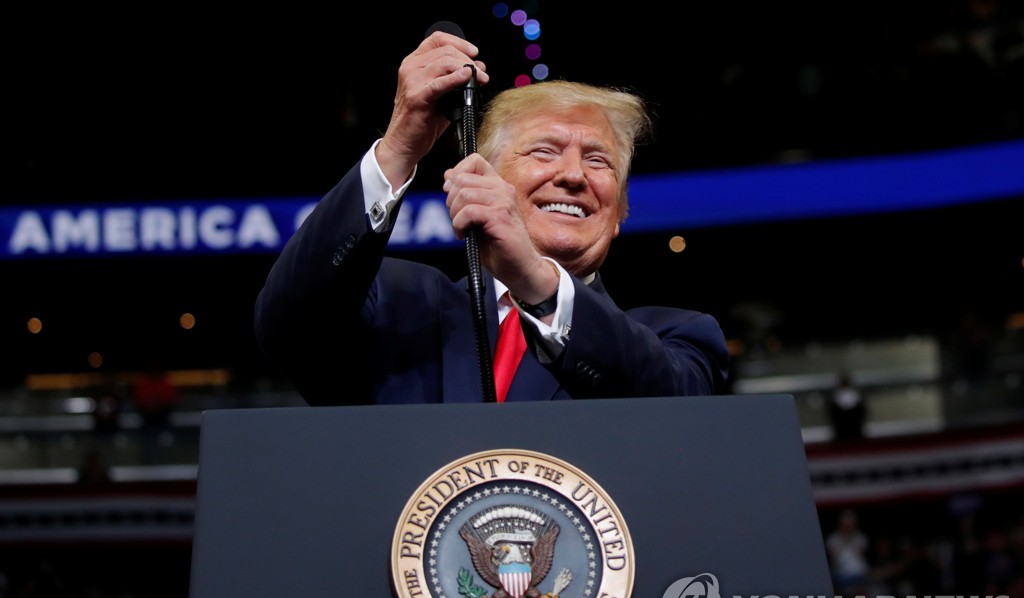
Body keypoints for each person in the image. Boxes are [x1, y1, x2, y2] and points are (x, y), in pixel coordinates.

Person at [254, 30, 729, 406]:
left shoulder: (679, 338)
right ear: (483, 179)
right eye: (544, 151)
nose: (573, 175)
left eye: (598, 161)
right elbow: (288, 322)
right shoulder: (396, 305)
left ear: (619, 211)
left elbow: (675, 412)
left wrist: (534, 280)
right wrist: (399, 149)